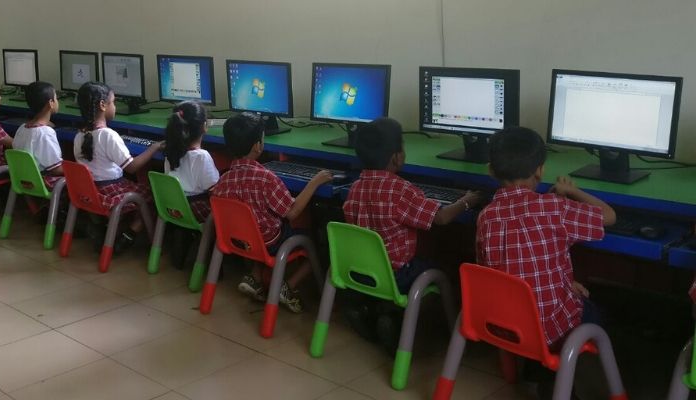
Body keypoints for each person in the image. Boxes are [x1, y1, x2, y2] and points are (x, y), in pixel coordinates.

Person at [477, 126, 616, 398]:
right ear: (540, 170)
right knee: (601, 314)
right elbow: (609, 216)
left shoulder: (485, 216)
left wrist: (565, 282)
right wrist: (572, 191)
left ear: (491, 171)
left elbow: (493, 271)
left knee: (548, 299)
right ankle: (559, 378)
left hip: (503, 321)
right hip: (551, 328)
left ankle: (540, 371)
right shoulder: (554, 208)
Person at [343, 117, 482, 352]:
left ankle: (377, 312)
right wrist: (467, 201)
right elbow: (441, 217)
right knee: (443, 269)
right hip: (398, 274)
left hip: (360, 271)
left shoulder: (354, 188)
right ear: (396, 157)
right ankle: (413, 326)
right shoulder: (400, 190)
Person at [211, 112, 332, 313]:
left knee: (261, 221)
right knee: (314, 243)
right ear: (258, 146)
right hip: (269, 242)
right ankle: (288, 286)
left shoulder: (224, 180)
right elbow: (292, 212)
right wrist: (315, 182)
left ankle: (255, 277)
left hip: (239, 240)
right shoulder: (266, 179)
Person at [73, 81, 163, 252]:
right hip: (113, 191)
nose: (115, 107)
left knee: (139, 189)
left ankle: (108, 229)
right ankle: (130, 234)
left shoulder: (80, 135)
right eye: (113, 102)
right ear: (102, 105)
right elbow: (132, 167)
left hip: (92, 192)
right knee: (156, 196)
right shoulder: (109, 136)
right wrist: (153, 148)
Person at [163, 100, 219, 222]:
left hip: (173, 207)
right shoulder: (202, 156)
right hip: (193, 210)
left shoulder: (170, 151)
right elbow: (213, 188)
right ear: (204, 126)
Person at [13, 81, 63, 187]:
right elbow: (55, 169)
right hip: (42, 182)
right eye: (56, 98)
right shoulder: (45, 133)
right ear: (51, 103)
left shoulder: (21, 128)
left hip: (25, 181)